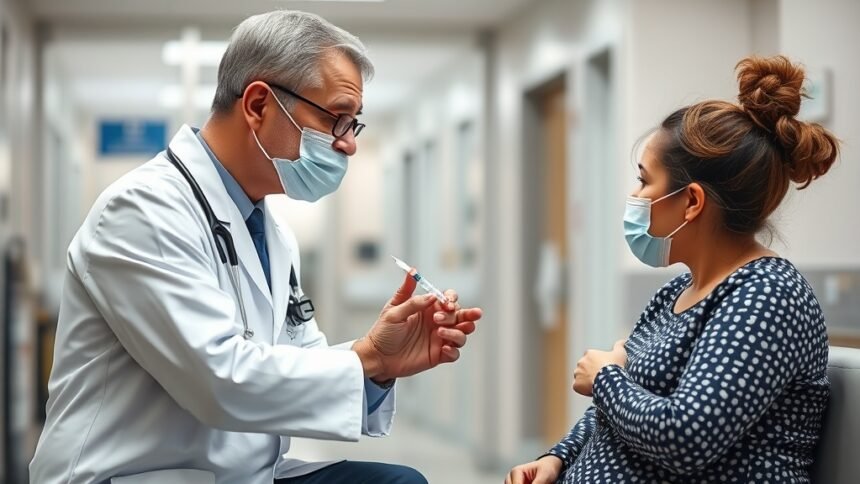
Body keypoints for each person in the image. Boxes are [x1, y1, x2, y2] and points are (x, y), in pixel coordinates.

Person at [29, 10, 482, 484]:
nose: (348, 145)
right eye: (338, 119)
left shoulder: (270, 231)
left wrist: (379, 361)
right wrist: (365, 357)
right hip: (135, 474)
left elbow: (299, 359)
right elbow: (219, 381)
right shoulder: (142, 211)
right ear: (259, 105)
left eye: (354, 125)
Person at [507, 55, 839, 483]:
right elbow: (616, 417)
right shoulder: (677, 292)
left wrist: (606, 376)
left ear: (692, 201)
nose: (635, 193)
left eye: (645, 180)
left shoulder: (768, 296)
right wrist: (559, 458)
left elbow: (688, 437)